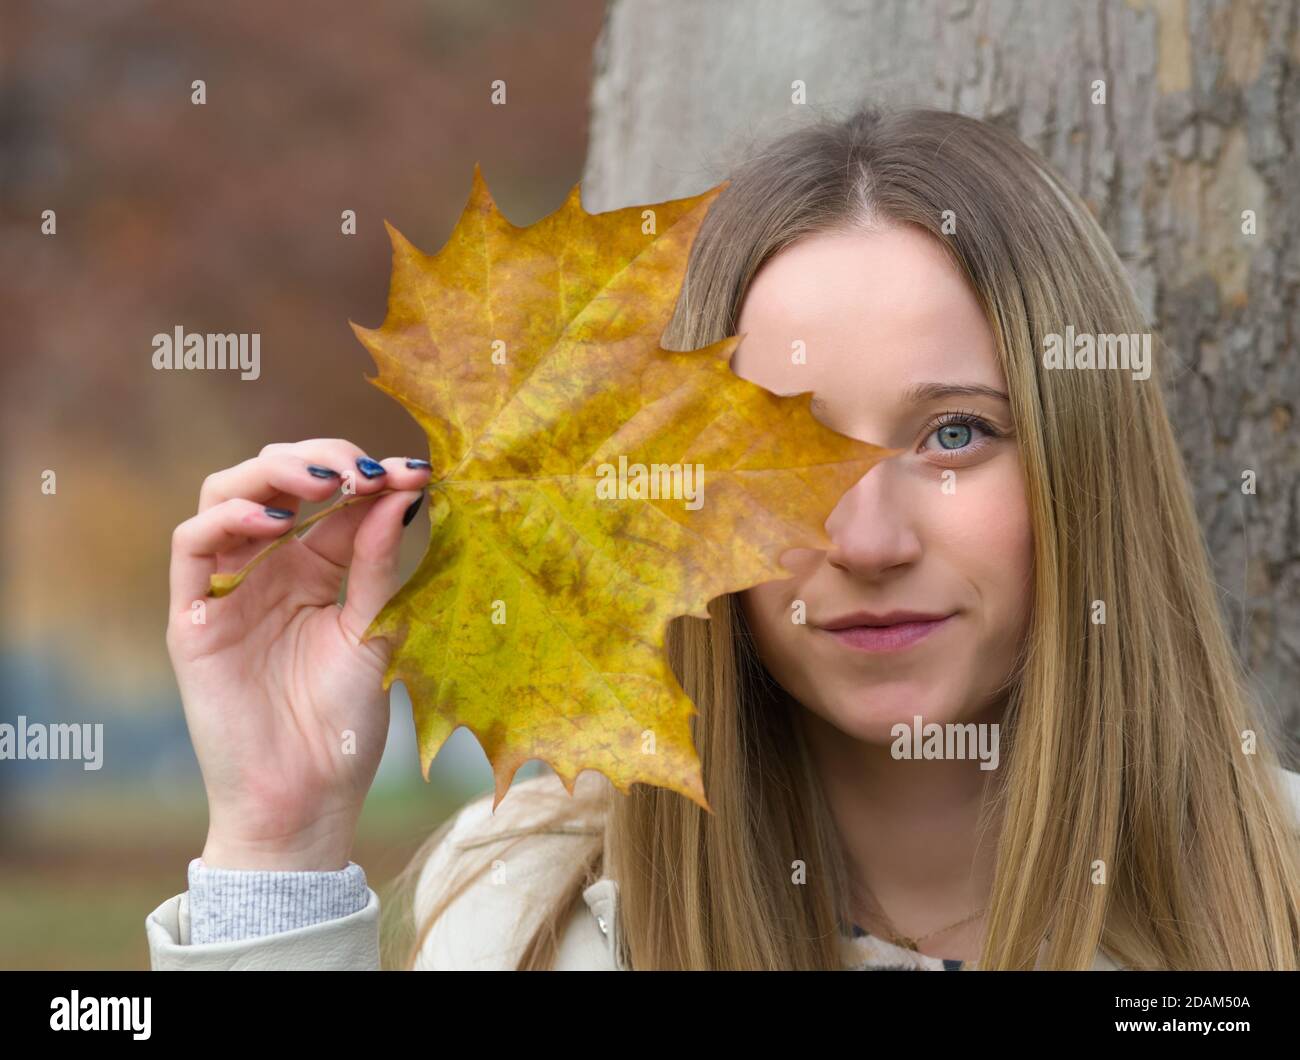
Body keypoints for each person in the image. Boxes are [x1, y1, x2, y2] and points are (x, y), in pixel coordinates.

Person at [146, 105, 1300, 971]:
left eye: (953, 432)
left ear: (1082, 460)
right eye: (783, 455)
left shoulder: (1274, 899)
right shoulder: (533, 921)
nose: (863, 535)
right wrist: (279, 846)